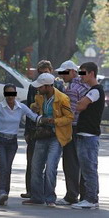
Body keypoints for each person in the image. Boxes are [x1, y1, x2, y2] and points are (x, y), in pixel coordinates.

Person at [0, 83, 40, 206]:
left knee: (8, 168)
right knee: (3, 166)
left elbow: (33, 117)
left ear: (15, 94)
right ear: (4, 94)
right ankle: (1, 192)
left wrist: (44, 115)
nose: (10, 97)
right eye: (7, 94)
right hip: (0, 141)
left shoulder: (21, 107)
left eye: (12, 93)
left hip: (12, 142)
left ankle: (5, 193)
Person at [22, 73, 73, 208]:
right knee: (36, 167)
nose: (37, 89)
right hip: (42, 135)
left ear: (48, 86)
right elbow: (36, 106)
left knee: (51, 167)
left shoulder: (63, 99)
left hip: (56, 137)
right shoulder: (40, 97)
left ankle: (50, 197)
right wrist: (34, 106)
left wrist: (53, 121)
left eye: (40, 87)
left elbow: (69, 117)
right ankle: (37, 197)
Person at [55, 60, 90, 205]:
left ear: (73, 72)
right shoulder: (85, 85)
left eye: (64, 72)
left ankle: (71, 195)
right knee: (83, 163)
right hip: (85, 128)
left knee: (70, 163)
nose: (62, 76)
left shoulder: (72, 89)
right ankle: (85, 195)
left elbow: (73, 113)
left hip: (73, 128)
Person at [71, 62, 105, 210]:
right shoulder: (92, 90)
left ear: (91, 73)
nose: (81, 76)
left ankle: (90, 199)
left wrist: (79, 102)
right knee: (88, 168)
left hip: (89, 135)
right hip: (85, 134)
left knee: (88, 168)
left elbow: (80, 106)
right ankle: (92, 198)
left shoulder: (95, 91)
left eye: (83, 73)